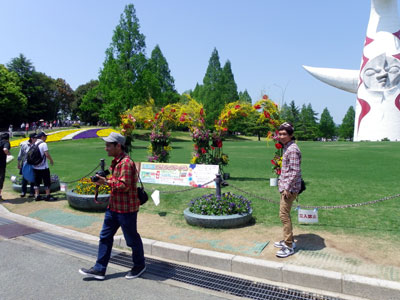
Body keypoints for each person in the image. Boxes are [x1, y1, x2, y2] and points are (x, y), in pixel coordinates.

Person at [79, 132, 146, 280]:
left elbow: (125, 186)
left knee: (131, 239)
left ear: (118, 146)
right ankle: (99, 269)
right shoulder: (117, 161)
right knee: (105, 236)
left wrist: (106, 182)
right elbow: (118, 182)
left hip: (126, 210)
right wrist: (104, 179)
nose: (106, 148)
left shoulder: (126, 163)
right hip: (113, 207)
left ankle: (139, 265)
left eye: (109, 145)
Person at [274, 122, 302, 258]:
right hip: (286, 186)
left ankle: (289, 245)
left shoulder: (292, 149)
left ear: (291, 135)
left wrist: (287, 187)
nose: (281, 136)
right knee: (284, 214)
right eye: (280, 134)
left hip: (289, 189)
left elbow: (295, 171)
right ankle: (287, 240)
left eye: (285, 134)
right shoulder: (287, 147)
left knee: (284, 215)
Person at [32, 132, 57, 201]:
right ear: (42, 137)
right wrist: (51, 160)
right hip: (43, 167)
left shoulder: (34, 143)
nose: (46, 138)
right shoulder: (43, 144)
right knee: (47, 181)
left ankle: (37, 195)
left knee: (37, 182)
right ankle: (47, 195)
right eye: (45, 136)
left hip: (35, 166)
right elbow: (46, 154)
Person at [17, 133, 37, 197]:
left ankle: (32, 192)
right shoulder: (24, 145)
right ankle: (23, 191)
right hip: (25, 163)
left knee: (33, 177)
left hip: (34, 163)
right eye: (35, 138)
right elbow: (20, 155)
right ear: (32, 138)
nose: (36, 139)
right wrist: (18, 163)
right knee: (24, 178)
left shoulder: (36, 145)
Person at [0, 133, 11, 201]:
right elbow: (5, 149)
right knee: (1, 179)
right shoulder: (6, 142)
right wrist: (8, 153)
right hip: (1, 164)